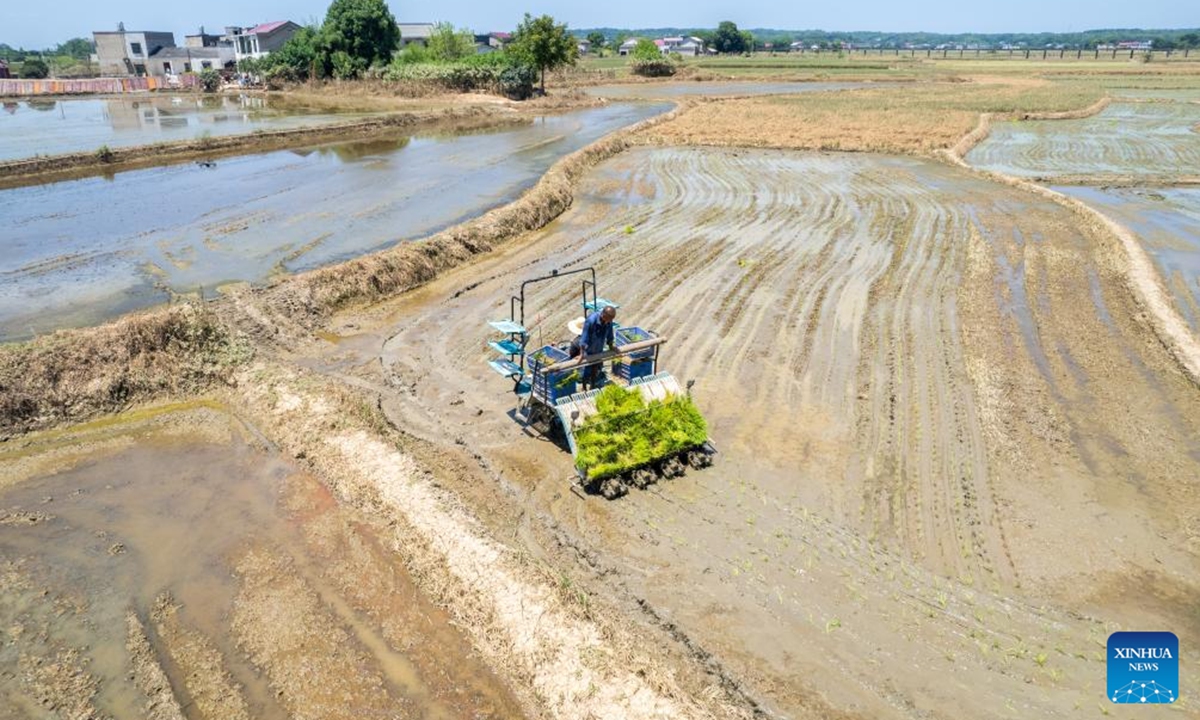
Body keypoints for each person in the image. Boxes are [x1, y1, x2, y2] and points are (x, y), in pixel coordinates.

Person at [571, 306, 616, 388]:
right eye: (608, 320)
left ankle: (592, 385)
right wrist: (582, 355)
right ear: (603, 315)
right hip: (589, 350)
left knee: (595, 369)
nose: (609, 322)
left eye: (610, 320)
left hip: (599, 349)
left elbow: (610, 335)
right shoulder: (591, 321)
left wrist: (611, 346)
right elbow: (584, 338)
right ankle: (584, 387)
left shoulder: (609, 321)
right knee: (586, 370)